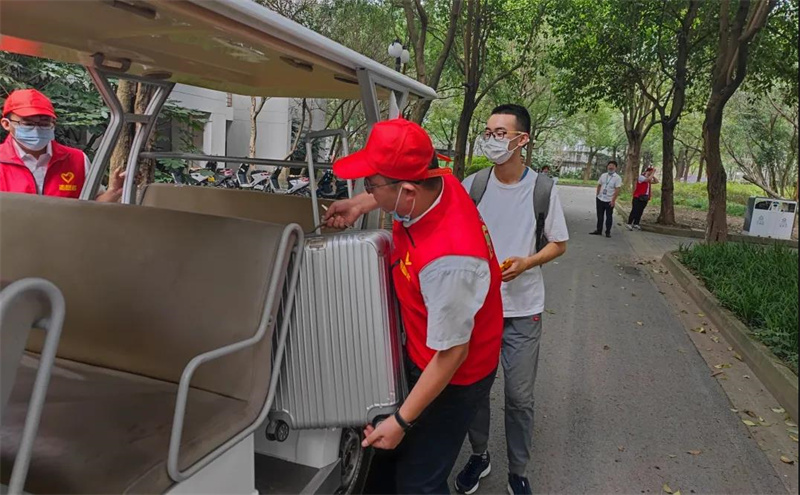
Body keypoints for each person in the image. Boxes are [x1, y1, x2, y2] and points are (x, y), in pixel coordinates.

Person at [323, 118, 504, 494]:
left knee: (418, 482)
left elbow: (452, 354)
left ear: (407, 192)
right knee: (384, 464)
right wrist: (358, 204)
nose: (368, 190)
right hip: (422, 347)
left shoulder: (450, 259)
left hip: (455, 375)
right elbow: (394, 185)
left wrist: (403, 421)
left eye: (370, 184)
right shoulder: (435, 183)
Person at [456, 104, 569, 495]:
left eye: (500, 133)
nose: (491, 140)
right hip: (478, 310)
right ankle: (479, 455)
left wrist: (527, 262)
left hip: (523, 309)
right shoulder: (473, 186)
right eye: (488, 132)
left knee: (519, 397)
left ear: (522, 140)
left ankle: (518, 471)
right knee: (475, 389)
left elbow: (558, 243)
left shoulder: (542, 189)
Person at [0, 88, 123, 201]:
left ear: (53, 124)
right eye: (28, 124)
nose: (36, 130)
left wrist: (114, 192)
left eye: (44, 124)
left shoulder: (77, 160)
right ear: (6, 124)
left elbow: (94, 205)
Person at [590, 160, 622, 238]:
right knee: (599, 216)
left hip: (609, 200)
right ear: (607, 166)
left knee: (609, 216)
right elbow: (599, 185)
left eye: (613, 166)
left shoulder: (617, 178)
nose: (611, 167)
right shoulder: (603, 175)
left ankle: (608, 232)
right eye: (609, 165)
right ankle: (599, 230)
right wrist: (597, 195)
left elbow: (617, 189)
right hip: (600, 198)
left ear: (615, 168)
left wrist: (613, 200)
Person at [626, 166, 659, 230]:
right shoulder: (641, 177)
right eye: (651, 172)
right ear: (648, 171)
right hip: (638, 197)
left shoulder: (649, 180)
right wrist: (651, 173)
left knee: (640, 211)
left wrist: (653, 176)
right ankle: (629, 223)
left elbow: (656, 181)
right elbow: (647, 180)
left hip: (645, 198)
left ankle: (636, 223)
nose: (652, 174)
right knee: (635, 210)